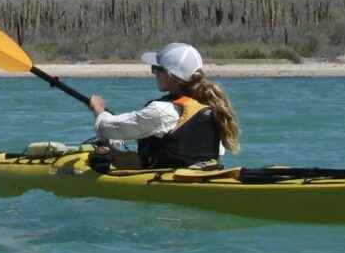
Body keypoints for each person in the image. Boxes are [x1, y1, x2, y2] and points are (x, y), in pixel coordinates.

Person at [88, 43, 240, 171]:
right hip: (201, 174)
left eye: (156, 68)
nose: (154, 73)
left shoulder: (162, 111)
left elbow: (105, 128)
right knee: (114, 149)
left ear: (169, 74)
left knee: (102, 153)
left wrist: (98, 109)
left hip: (166, 179)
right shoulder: (211, 108)